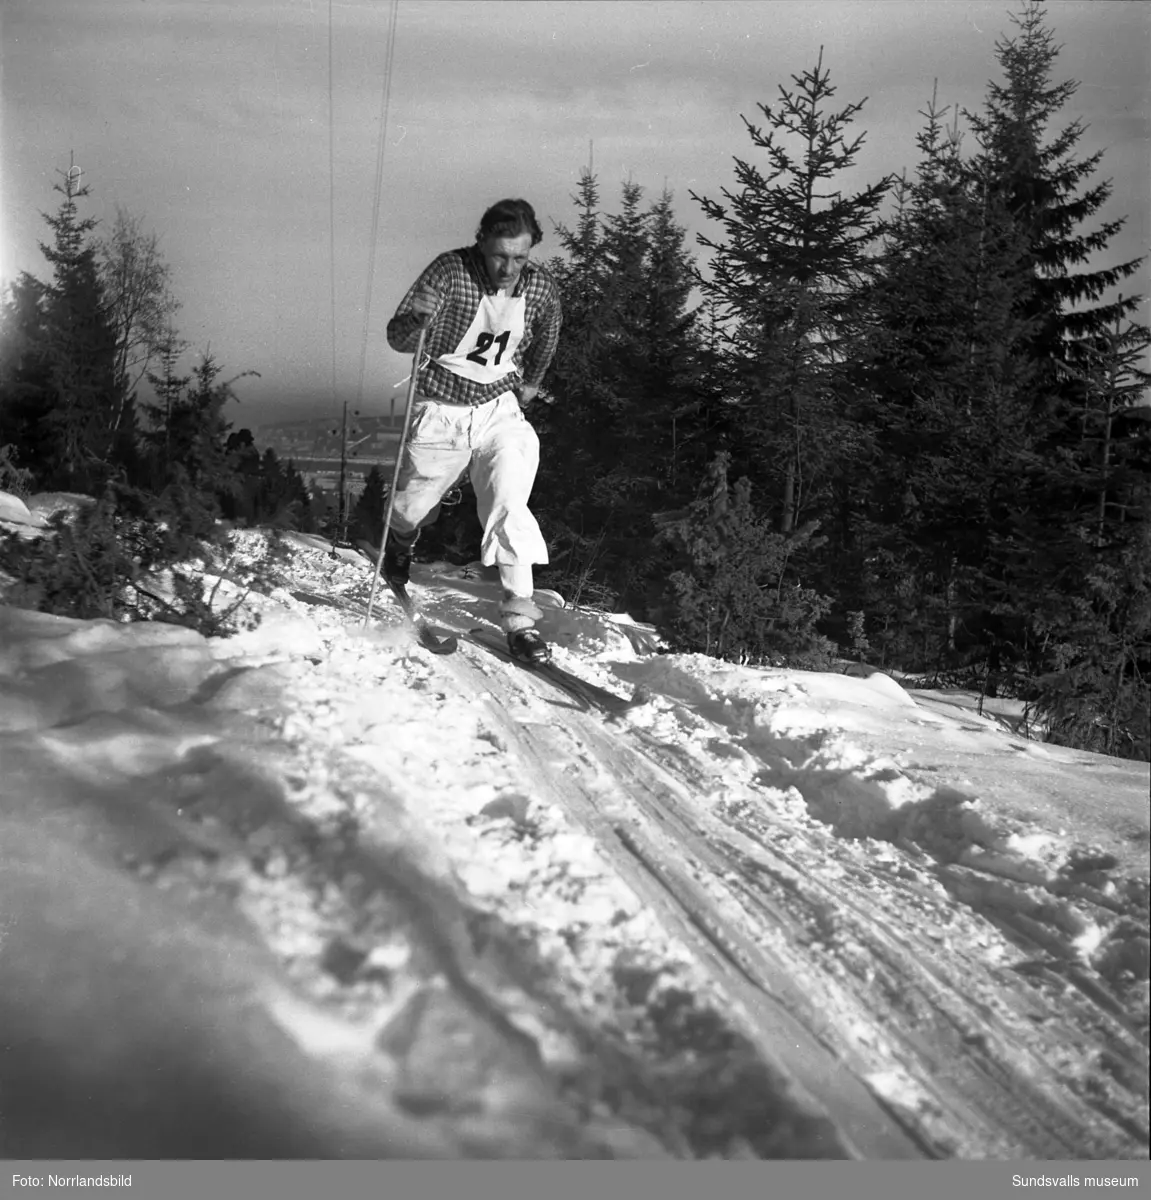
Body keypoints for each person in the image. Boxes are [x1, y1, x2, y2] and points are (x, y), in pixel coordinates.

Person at [383, 198, 562, 665]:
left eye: (519, 258)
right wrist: (414, 319)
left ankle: (520, 622)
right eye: (500, 255)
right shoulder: (449, 272)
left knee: (508, 500)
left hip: (498, 410)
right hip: (441, 410)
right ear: (481, 243)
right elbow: (399, 339)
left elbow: (549, 331)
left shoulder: (539, 287)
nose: (508, 268)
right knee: (414, 504)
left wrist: (531, 384)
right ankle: (398, 543)